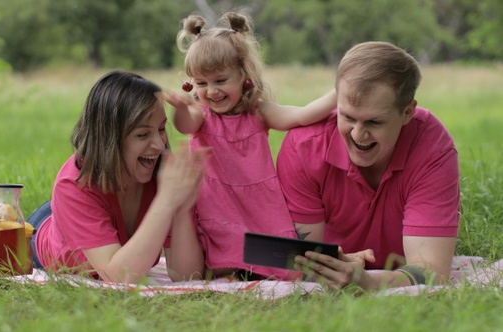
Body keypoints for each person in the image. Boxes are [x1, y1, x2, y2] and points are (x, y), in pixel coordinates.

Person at [165, 12, 336, 280]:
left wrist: (340, 92)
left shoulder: (258, 112)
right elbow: (185, 125)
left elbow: (301, 115)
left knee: (280, 265)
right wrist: (181, 108)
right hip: (217, 203)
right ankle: (229, 269)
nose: (211, 91)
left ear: (243, 75)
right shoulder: (201, 114)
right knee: (222, 246)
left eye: (220, 81)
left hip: (259, 205)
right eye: (201, 83)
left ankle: (259, 272)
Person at [277, 41, 460, 290]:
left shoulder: (432, 148)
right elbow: (299, 266)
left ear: (407, 113)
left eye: (374, 122)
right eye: (348, 117)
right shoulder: (304, 147)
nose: (358, 134)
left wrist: (366, 281)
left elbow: (433, 271)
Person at [27, 69, 210, 284]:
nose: (160, 145)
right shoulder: (74, 185)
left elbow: (188, 276)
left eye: (161, 129)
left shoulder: (163, 174)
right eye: (142, 134)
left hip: (94, 205)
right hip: (47, 229)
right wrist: (167, 201)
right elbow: (119, 277)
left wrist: (182, 204)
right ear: (109, 139)